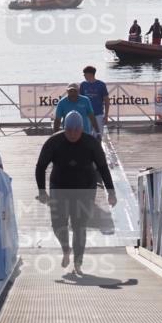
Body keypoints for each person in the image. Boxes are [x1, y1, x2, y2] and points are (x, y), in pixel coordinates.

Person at [35, 111, 117, 274]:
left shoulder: (91, 143)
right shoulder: (54, 142)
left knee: (79, 226)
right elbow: (40, 166)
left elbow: (103, 167)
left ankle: (78, 262)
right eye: (69, 130)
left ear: (82, 129)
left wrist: (111, 192)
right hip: (60, 186)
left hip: (85, 188)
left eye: (76, 130)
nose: (72, 134)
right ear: (64, 129)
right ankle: (66, 249)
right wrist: (42, 191)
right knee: (58, 223)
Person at [79, 66, 110, 137]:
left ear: (90, 74)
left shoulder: (101, 84)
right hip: (86, 115)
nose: (84, 75)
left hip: (98, 114)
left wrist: (106, 115)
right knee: (86, 136)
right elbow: (80, 100)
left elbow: (106, 100)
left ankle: (97, 147)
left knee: (98, 135)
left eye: (85, 74)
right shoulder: (83, 85)